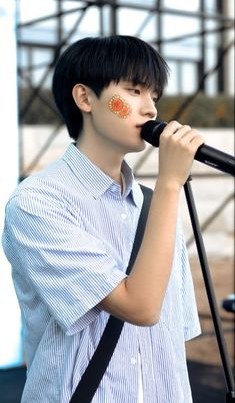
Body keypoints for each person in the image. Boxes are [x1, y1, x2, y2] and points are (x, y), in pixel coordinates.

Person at [2, 35, 204, 403]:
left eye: (154, 97)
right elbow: (140, 307)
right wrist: (171, 183)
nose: (150, 110)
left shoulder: (152, 203)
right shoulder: (37, 203)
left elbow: (172, 333)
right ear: (84, 98)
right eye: (133, 90)